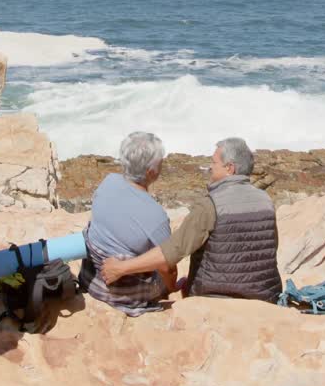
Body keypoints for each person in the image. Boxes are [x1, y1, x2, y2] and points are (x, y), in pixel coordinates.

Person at [101, 137, 282, 302]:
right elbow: (270, 247)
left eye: (214, 162)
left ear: (230, 168)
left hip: (216, 298)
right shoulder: (266, 200)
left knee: (186, 284)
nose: (210, 167)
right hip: (266, 295)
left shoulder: (210, 205)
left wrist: (120, 268)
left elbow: (170, 254)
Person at [81, 131, 177, 316]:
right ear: (151, 172)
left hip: (91, 280)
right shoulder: (156, 215)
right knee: (165, 268)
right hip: (124, 295)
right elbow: (167, 266)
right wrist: (171, 287)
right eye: (160, 162)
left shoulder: (108, 182)